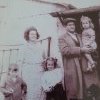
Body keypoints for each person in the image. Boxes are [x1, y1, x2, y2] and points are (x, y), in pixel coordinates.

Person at [58, 18, 93, 100]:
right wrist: (80, 50)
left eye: (73, 25)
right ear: (65, 27)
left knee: (86, 87)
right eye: (69, 25)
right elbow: (64, 51)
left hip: (83, 64)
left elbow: (87, 44)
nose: (72, 26)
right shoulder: (62, 38)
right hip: (72, 66)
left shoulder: (79, 35)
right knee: (74, 89)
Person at [21, 26, 45, 100]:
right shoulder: (24, 47)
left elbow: (44, 58)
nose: (33, 36)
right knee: (30, 90)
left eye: (35, 34)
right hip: (28, 71)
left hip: (39, 70)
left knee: (39, 90)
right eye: (31, 34)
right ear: (27, 35)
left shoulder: (40, 46)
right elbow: (20, 61)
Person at [80, 16, 100, 100]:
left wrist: (88, 44)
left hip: (91, 44)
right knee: (87, 54)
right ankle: (90, 65)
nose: (85, 25)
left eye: (86, 23)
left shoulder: (90, 30)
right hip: (87, 44)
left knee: (86, 53)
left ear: (89, 23)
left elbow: (92, 38)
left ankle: (91, 62)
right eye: (83, 23)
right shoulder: (84, 31)